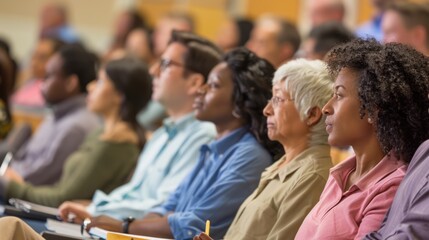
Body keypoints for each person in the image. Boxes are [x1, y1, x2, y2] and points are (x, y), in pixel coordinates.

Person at [79, 48, 278, 239]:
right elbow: (168, 207)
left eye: (214, 85)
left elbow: (195, 224)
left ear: (240, 101)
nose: (202, 90)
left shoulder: (249, 155)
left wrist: (126, 227)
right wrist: (135, 230)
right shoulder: (213, 149)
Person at [58, 31, 220, 222]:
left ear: (194, 82)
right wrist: (94, 207)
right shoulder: (160, 134)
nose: (153, 71)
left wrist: (97, 211)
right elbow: (133, 192)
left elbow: (163, 207)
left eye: (165, 64)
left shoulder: (203, 136)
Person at [295, 38, 429, 239]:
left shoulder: (389, 186)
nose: (326, 108)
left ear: (372, 110)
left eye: (339, 95)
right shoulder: (341, 174)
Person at [195, 58, 334, 240]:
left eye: (277, 99)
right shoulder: (279, 167)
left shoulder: (312, 177)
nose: (267, 110)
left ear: (312, 114)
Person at [0, 57, 152, 207]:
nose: (90, 87)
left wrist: (11, 186)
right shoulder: (101, 132)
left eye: (100, 81)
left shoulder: (115, 144)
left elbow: (62, 199)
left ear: (119, 96)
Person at [5, 45, 100, 186]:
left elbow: (35, 179)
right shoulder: (56, 115)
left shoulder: (76, 126)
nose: (42, 84)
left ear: (70, 83)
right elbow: (22, 159)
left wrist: (5, 177)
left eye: (48, 77)